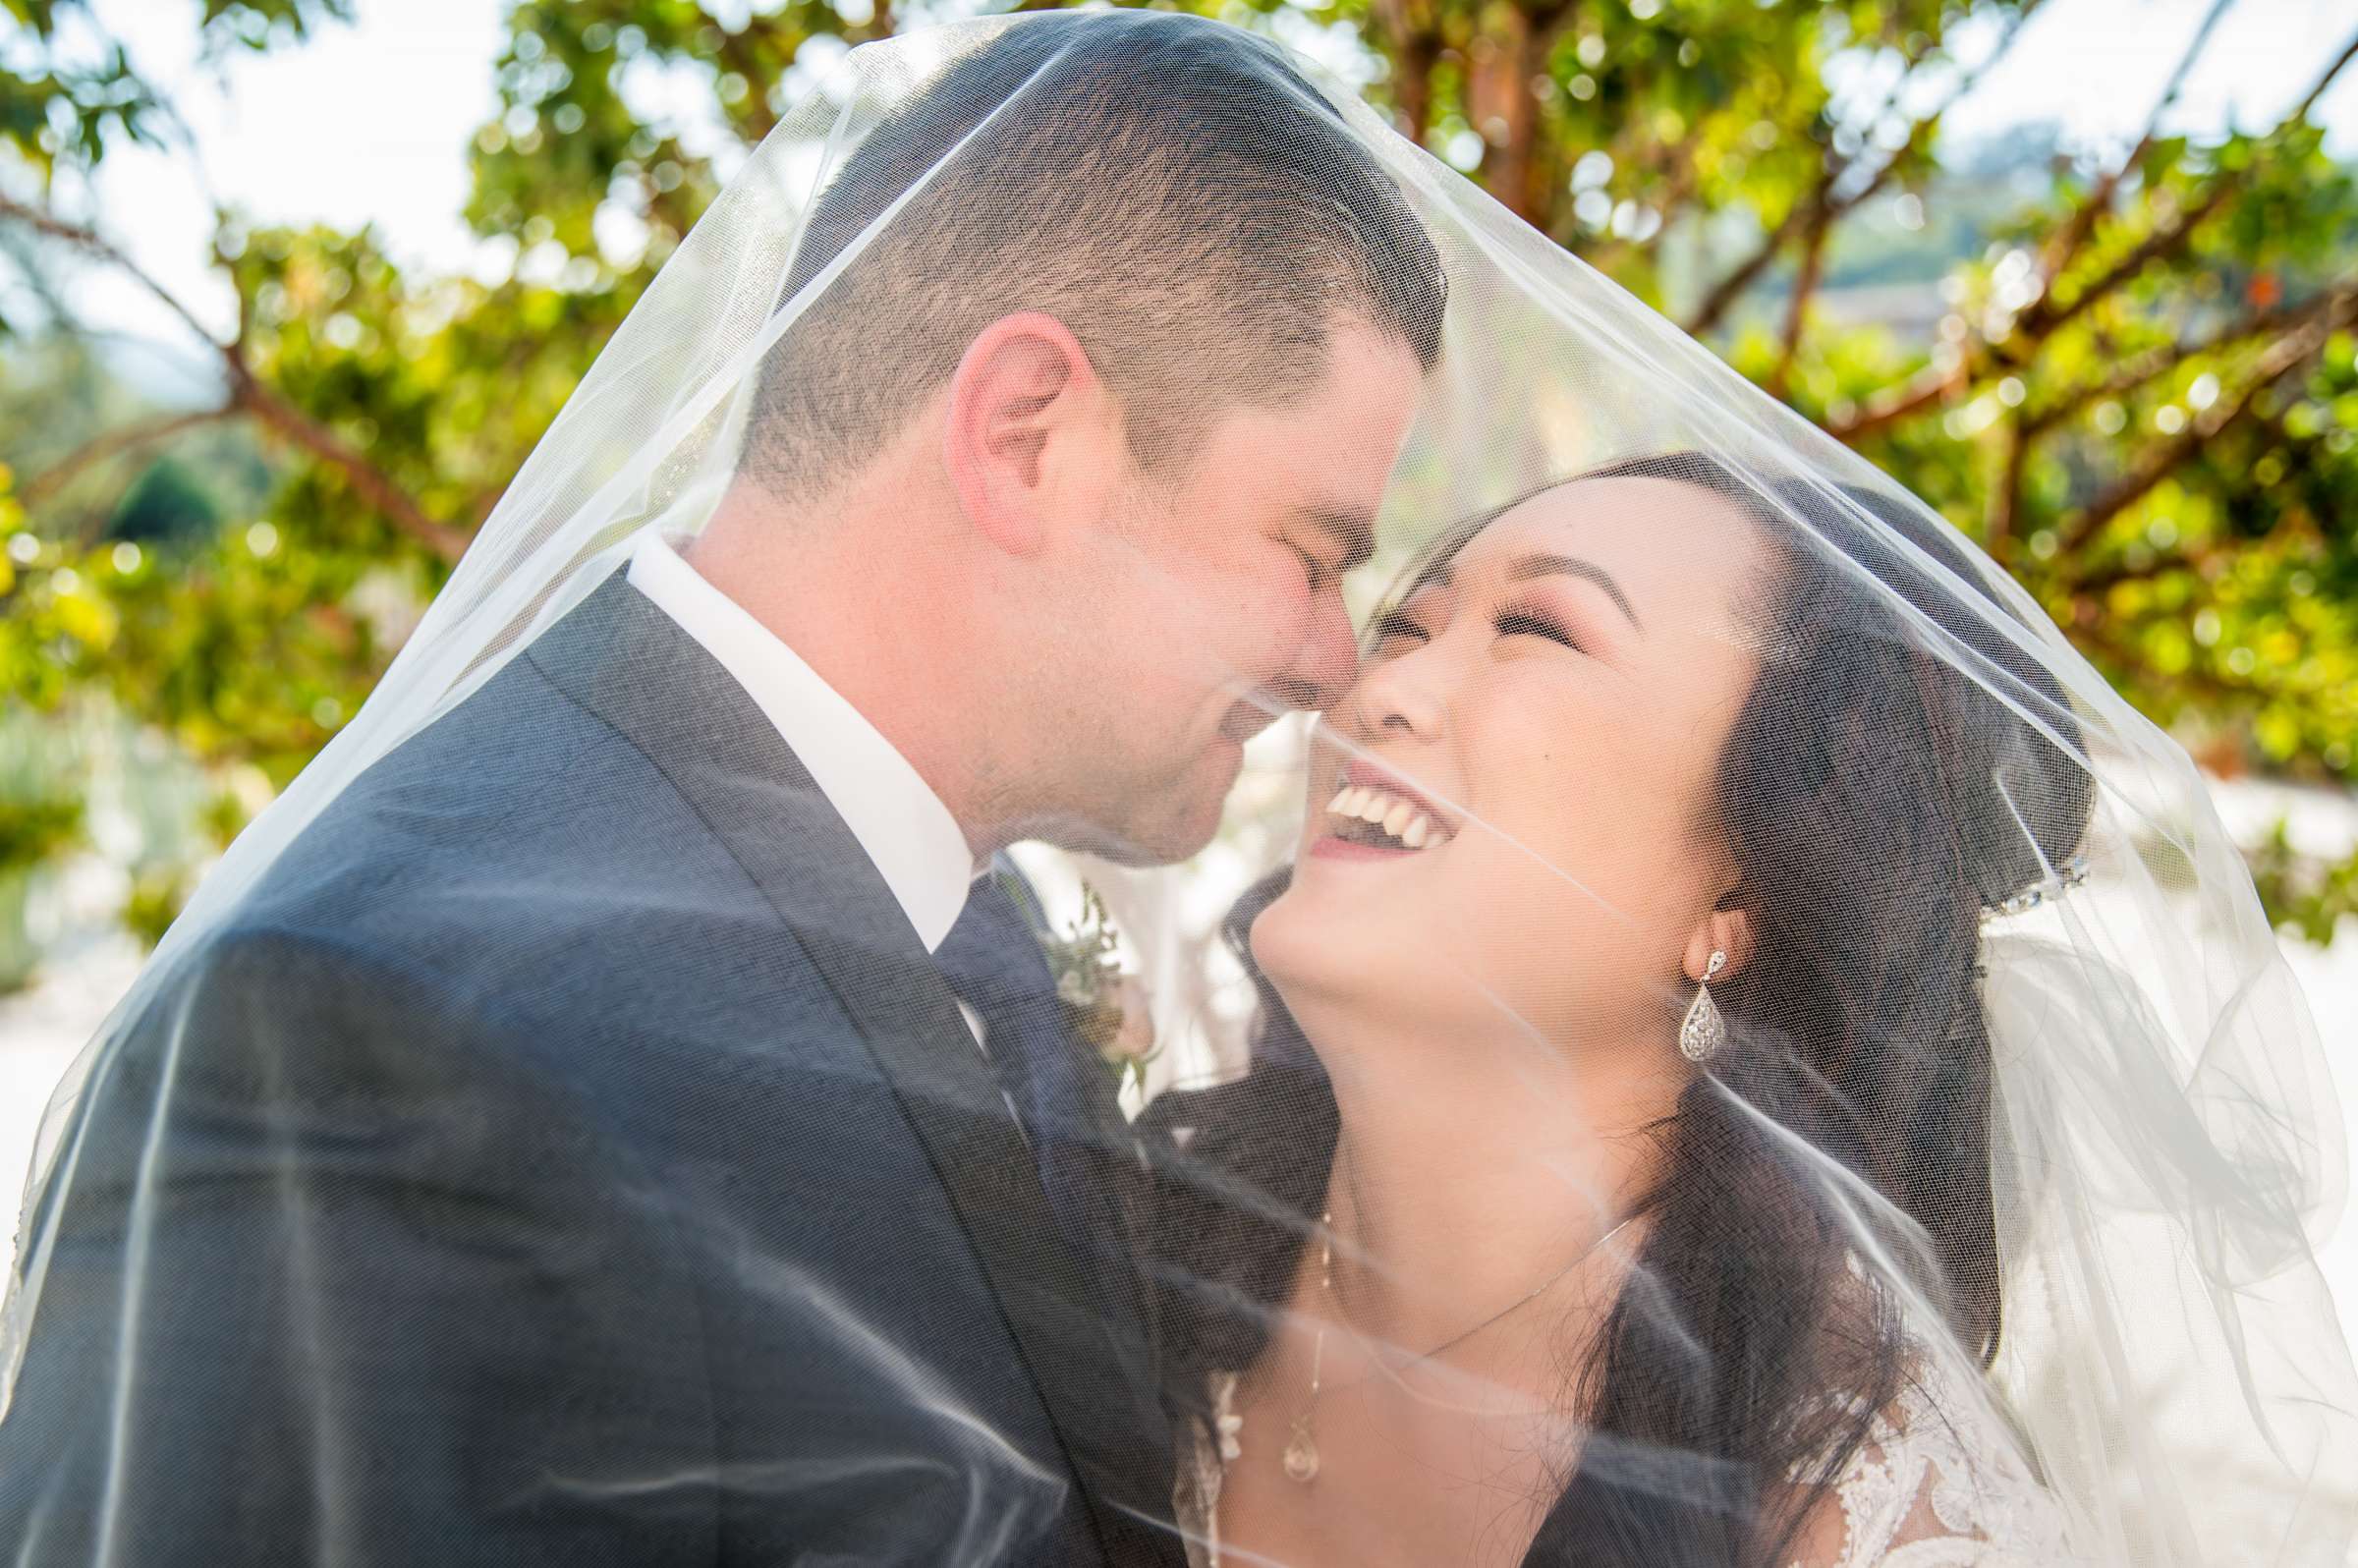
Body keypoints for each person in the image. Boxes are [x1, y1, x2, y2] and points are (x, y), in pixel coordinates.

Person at [0, 14, 1442, 1566]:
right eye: (1307, 555)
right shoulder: (370, 1031)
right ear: (1025, 433)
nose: (1329, 660)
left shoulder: (982, 929)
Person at [1144, 455, 2358, 1566]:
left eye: (1535, 628)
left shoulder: (1866, 1526)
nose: (1385, 690)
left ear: (1738, 894)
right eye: (1405, 625)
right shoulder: (1142, 1234)